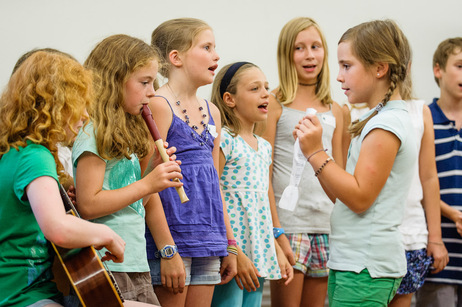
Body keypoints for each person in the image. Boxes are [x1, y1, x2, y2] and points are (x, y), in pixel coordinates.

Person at [294, 19, 418, 306]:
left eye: (347, 66)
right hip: (354, 263)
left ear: (379, 68)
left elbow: (360, 198)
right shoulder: (380, 119)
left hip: (366, 266)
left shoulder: (386, 126)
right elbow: (343, 196)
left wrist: (316, 153)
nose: (339, 77)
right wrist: (314, 156)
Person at [0, 51, 126, 307]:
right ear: (53, 105)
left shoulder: (15, 151)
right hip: (21, 296)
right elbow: (58, 228)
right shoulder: (35, 156)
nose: (85, 115)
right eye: (77, 103)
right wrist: (106, 233)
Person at [72, 34, 183, 304]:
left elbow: (134, 204)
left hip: (134, 260)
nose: (152, 92)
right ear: (113, 81)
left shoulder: (125, 133)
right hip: (105, 265)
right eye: (144, 82)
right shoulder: (93, 133)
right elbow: (88, 204)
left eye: (153, 82)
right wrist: (147, 184)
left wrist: (151, 176)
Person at [143, 18, 237, 307]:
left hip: (209, 238)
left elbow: (214, 182)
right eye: (206, 47)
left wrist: (230, 243)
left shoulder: (213, 112)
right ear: (176, 58)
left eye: (215, 47)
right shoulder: (158, 105)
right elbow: (146, 183)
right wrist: (167, 249)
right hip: (173, 239)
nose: (216, 56)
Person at [260, 16, 344, 307]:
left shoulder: (338, 110)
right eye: (299, 48)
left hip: (327, 226)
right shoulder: (273, 104)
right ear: (287, 54)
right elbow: (264, 173)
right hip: (289, 227)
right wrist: (275, 230)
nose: (309, 55)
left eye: (316, 46)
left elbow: (341, 174)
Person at [208, 62, 294, 307]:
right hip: (232, 253)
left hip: (259, 250)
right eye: (255, 88)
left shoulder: (263, 147)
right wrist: (234, 250)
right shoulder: (224, 140)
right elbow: (214, 195)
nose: (266, 93)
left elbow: (265, 201)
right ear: (229, 99)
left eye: (266, 87)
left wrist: (276, 246)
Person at [388, 67, 449, 306]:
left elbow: (428, 177)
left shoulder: (419, 111)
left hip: (411, 234)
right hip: (371, 239)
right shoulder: (356, 111)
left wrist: (435, 237)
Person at [415, 37, 462, 307]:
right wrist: (453, 213)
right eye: (459, 65)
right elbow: (417, 183)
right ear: (438, 70)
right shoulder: (424, 119)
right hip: (438, 261)